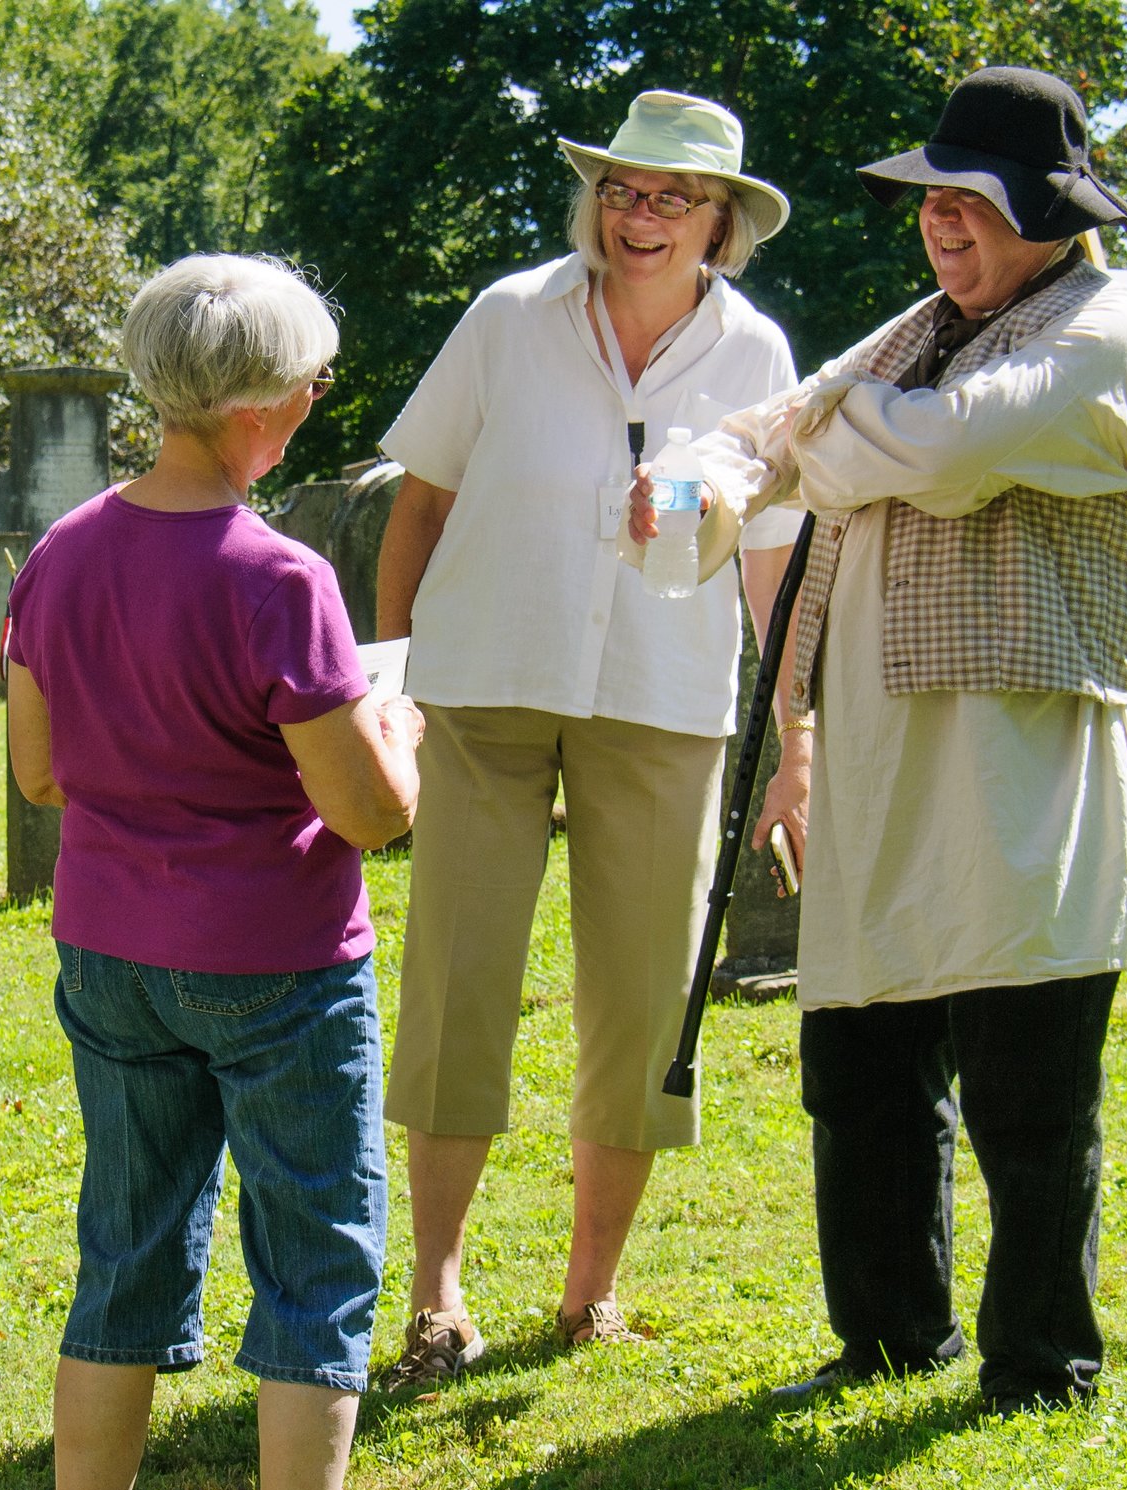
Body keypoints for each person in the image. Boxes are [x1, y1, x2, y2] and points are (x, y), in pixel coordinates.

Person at [682, 67, 1127, 1413]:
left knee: (1027, 1076)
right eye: (932, 203)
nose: (942, 229)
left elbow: (953, 451)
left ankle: (1040, 1361)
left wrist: (814, 437)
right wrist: (713, 471)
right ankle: (892, 1334)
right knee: (860, 1059)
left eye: (970, 203)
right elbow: (758, 440)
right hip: (883, 747)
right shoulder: (921, 331)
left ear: (1046, 210)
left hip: (1031, 750)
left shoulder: (1112, 333)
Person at [5, 254, 427, 1490]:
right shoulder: (281, 578)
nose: (313, 406)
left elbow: (39, 774)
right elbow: (362, 814)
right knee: (315, 1261)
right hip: (280, 964)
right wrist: (402, 737)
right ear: (251, 404)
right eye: (306, 385)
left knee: (124, 1250)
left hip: (113, 953)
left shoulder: (56, 556)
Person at [370, 89, 808, 1391]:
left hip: (665, 704)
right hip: (488, 688)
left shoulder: (756, 354)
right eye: (625, 189)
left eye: (676, 197)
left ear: (723, 221)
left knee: (644, 1003)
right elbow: (422, 504)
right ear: (595, 199)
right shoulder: (511, 318)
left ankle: (589, 1293)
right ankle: (438, 1297)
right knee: (458, 987)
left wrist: (794, 740)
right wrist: (391, 680)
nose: (644, 216)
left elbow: (773, 569)